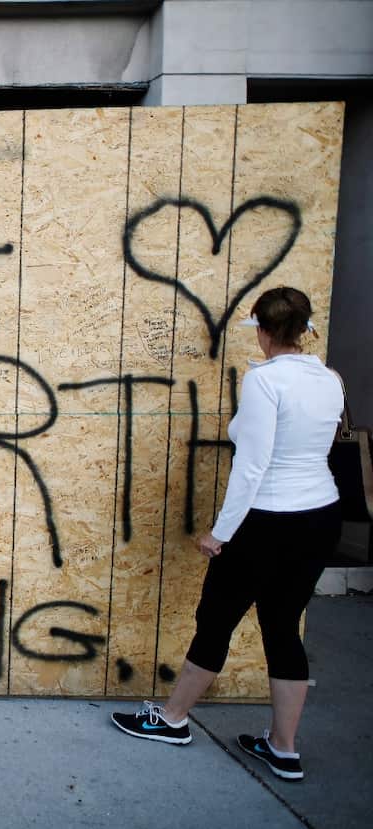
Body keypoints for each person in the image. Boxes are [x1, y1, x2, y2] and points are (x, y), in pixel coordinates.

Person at [110, 286, 344, 781]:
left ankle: (172, 719)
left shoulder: (265, 382)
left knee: (216, 618)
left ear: (261, 330)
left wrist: (221, 533)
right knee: (283, 626)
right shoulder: (329, 379)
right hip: (320, 515)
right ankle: (283, 747)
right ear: (304, 330)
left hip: (267, 518)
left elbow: (253, 467)